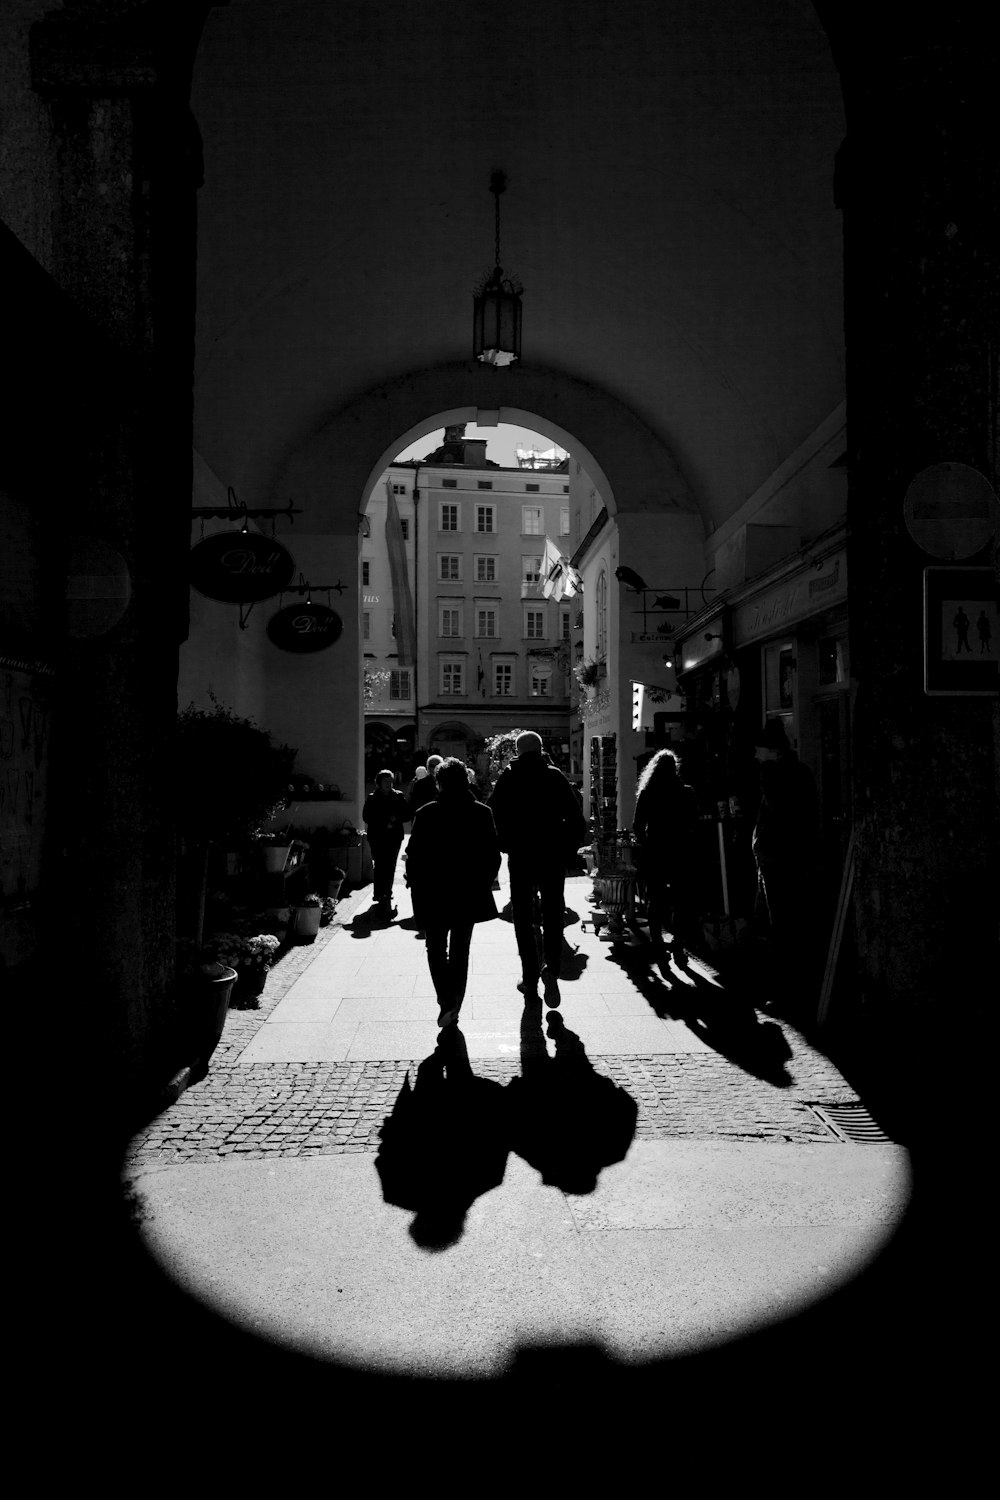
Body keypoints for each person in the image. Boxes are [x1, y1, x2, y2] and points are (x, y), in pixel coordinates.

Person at [488, 730, 588, 1001]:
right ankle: (551, 968)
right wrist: (566, 849)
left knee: (522, 916)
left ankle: (530, 976)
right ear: (541, 749)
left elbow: (491, 813)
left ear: (518, 752)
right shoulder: (554, 776)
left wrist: (505, 843)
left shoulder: (509, 777)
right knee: (553, 911)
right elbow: (577, 820)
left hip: (521, 855)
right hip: (551, 854)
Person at [406, 757, 502, 1028]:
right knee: (461, 949)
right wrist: (482, 882)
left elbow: (414, 855)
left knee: (435, 947)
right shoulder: (482, 812)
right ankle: (454, 1003)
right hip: (468, 891)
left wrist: (414, 882)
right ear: (466, 781)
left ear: (439, 783)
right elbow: (492, 856)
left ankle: (445, 1000)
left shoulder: (426, 813)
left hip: (434, 891)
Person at [751, 720, 820, 975]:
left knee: (779, 917)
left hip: (777, 855)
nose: (756, 754)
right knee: (793, 914)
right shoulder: (801, 771)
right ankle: (793, 970)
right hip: (798, 853)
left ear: (772, 751)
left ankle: (784, 976)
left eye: (759, 749)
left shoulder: (772, 774)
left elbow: (776, 810)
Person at [632, 748, 702, 969]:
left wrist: (647, 843)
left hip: (656, 852)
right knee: (682, 901)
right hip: (680, 852)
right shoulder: (686, 792)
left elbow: (637, 826)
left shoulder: (647, 793)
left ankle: (657, 941)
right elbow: (694, 822)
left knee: (656, 899)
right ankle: (679, 944)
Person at [362, 768, 410, 911]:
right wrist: (384, 821)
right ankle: (378, 893)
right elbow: (367, 817)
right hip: (377, 836)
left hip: (394, 837)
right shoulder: (372, 798)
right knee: (380, 864)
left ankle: (387, 892)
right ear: (379, 782)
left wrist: (395, 819)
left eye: (391, 781)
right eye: (386, 781)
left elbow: (407, 814)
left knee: (390, 865)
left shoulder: (398, 796)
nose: (389, 784)